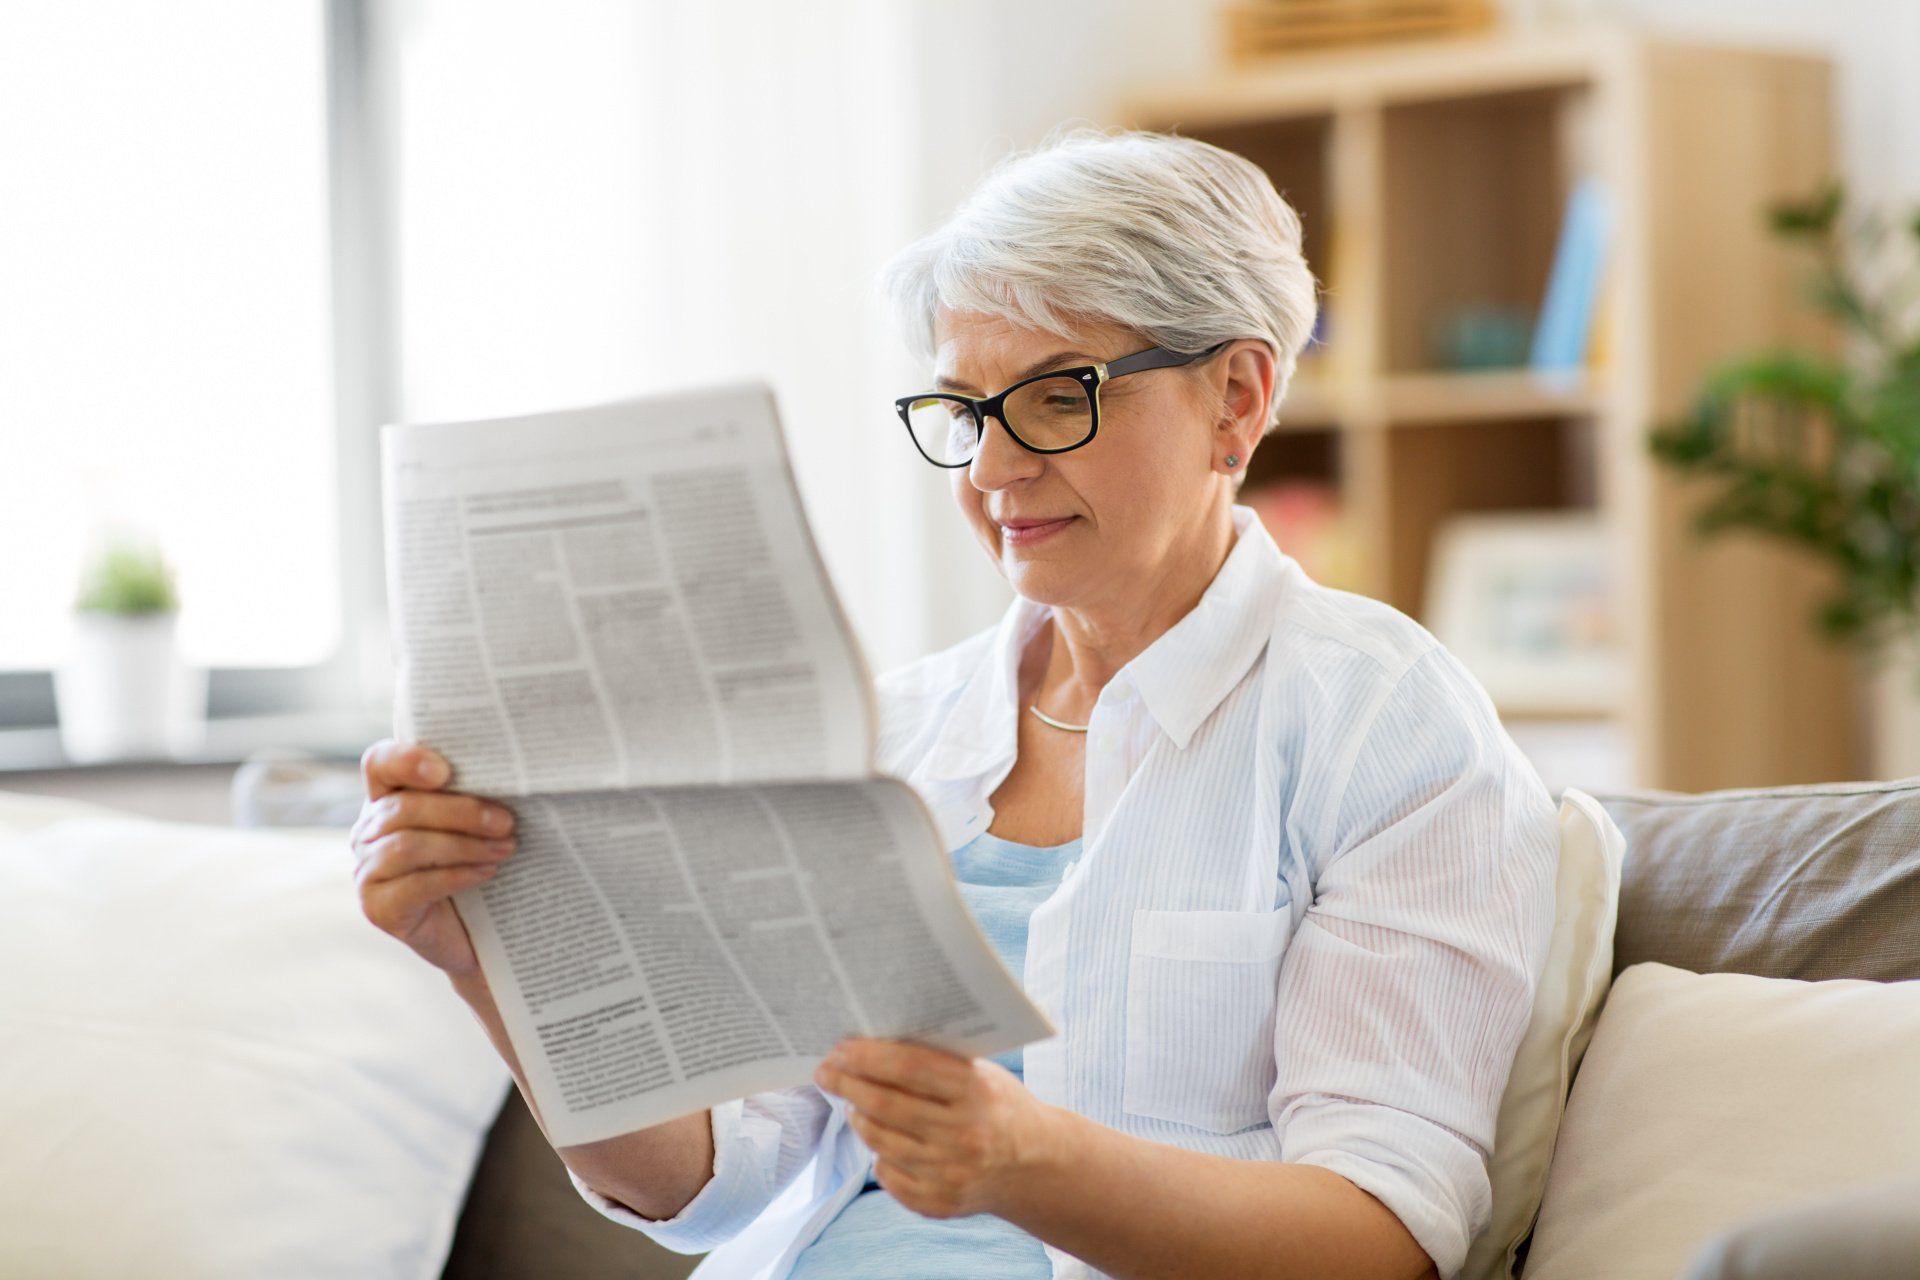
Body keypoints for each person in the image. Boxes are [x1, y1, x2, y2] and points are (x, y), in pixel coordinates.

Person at [352, 126, 1559, 1280]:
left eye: (1057, 397)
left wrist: (1033, 1162)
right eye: (966, 410)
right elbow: (713, 1183)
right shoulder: (896, 732)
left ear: (1237, 397)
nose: (992, 468)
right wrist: (488, 962)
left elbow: (1379, 1239)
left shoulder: (1380, 723)